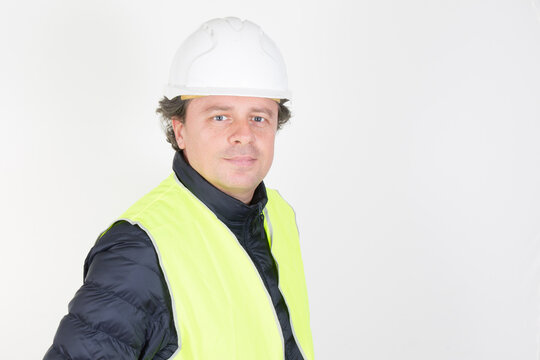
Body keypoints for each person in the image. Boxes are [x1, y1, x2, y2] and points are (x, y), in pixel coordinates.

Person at [44, 17, 314, 360]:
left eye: (259, 117)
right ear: (180, 130)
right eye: (220, 116)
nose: (244, 134)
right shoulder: (139, 250)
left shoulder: (278, 215)